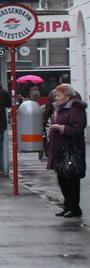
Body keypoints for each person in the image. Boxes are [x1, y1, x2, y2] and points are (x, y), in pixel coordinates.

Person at [46, 83, 86, 218]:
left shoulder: (76, 109)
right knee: (62, 178)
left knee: (71, 180)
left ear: (67, 96)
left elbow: (78, 129)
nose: (56, 98)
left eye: (59, 95)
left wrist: (61, 128)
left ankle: (74, 207)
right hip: (59, 149)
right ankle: (67, 206)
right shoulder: (58, 108)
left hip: (71, 150)